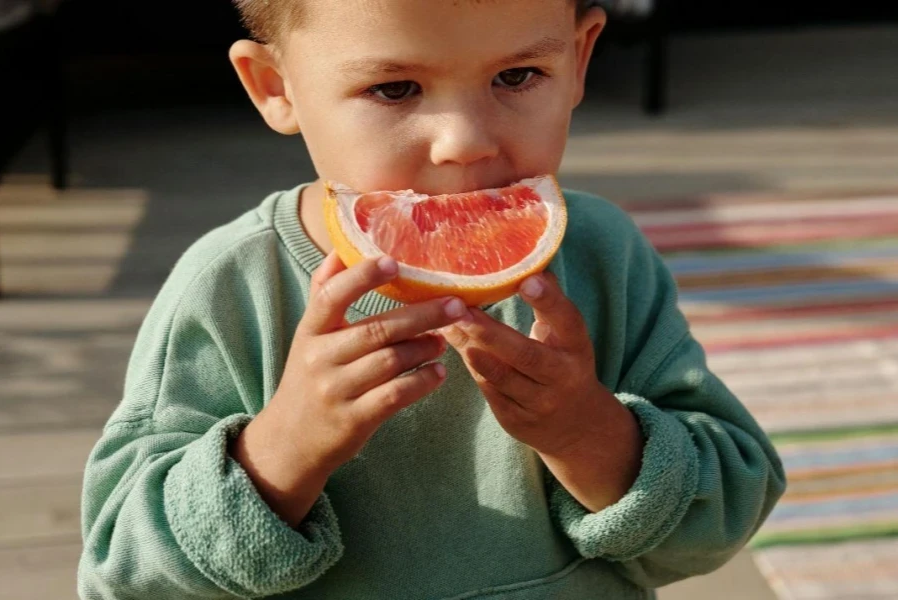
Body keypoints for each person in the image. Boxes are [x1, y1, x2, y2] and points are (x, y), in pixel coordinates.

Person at [77, 1, 786, 598]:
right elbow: (123, 572)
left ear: (580, 58)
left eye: (517, 75)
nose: (465, 142)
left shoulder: (603, 255)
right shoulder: (231, 288)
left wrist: (590, 437)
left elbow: (725, 512)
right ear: (275, 87)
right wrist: (280, 454)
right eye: (395, 89)